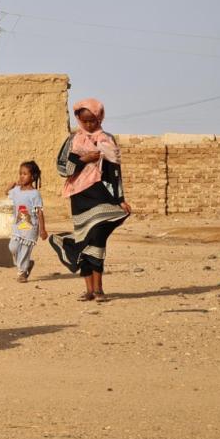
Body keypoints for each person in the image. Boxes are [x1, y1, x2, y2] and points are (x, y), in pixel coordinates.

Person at [49, 98, 131, 301]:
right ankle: (89, 290)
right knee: (86, 242)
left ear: (99, 118)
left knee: (98, 239)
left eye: (92, 121)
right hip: (79, 196)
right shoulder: (72, 140)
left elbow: (114, 172)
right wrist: (85, 159)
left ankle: (99, 289)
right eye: (84, 121)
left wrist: (120, 198)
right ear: (78, 119)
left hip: (100, 194)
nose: (88, 125)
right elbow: (62, 167)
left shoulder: (106, 140)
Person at [5, 161, 48, 283]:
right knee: (12, 247)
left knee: (24, 250)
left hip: (30, 227)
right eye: (20, 174)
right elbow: (6, 193)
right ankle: (27, 264)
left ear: (33, 177)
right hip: (18, 225)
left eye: (25, 174)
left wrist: (42, 229)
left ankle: (22, 272)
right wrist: (11, 185)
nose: (21, 176)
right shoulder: (16, 190)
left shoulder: (35, 194)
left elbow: (39, 211)